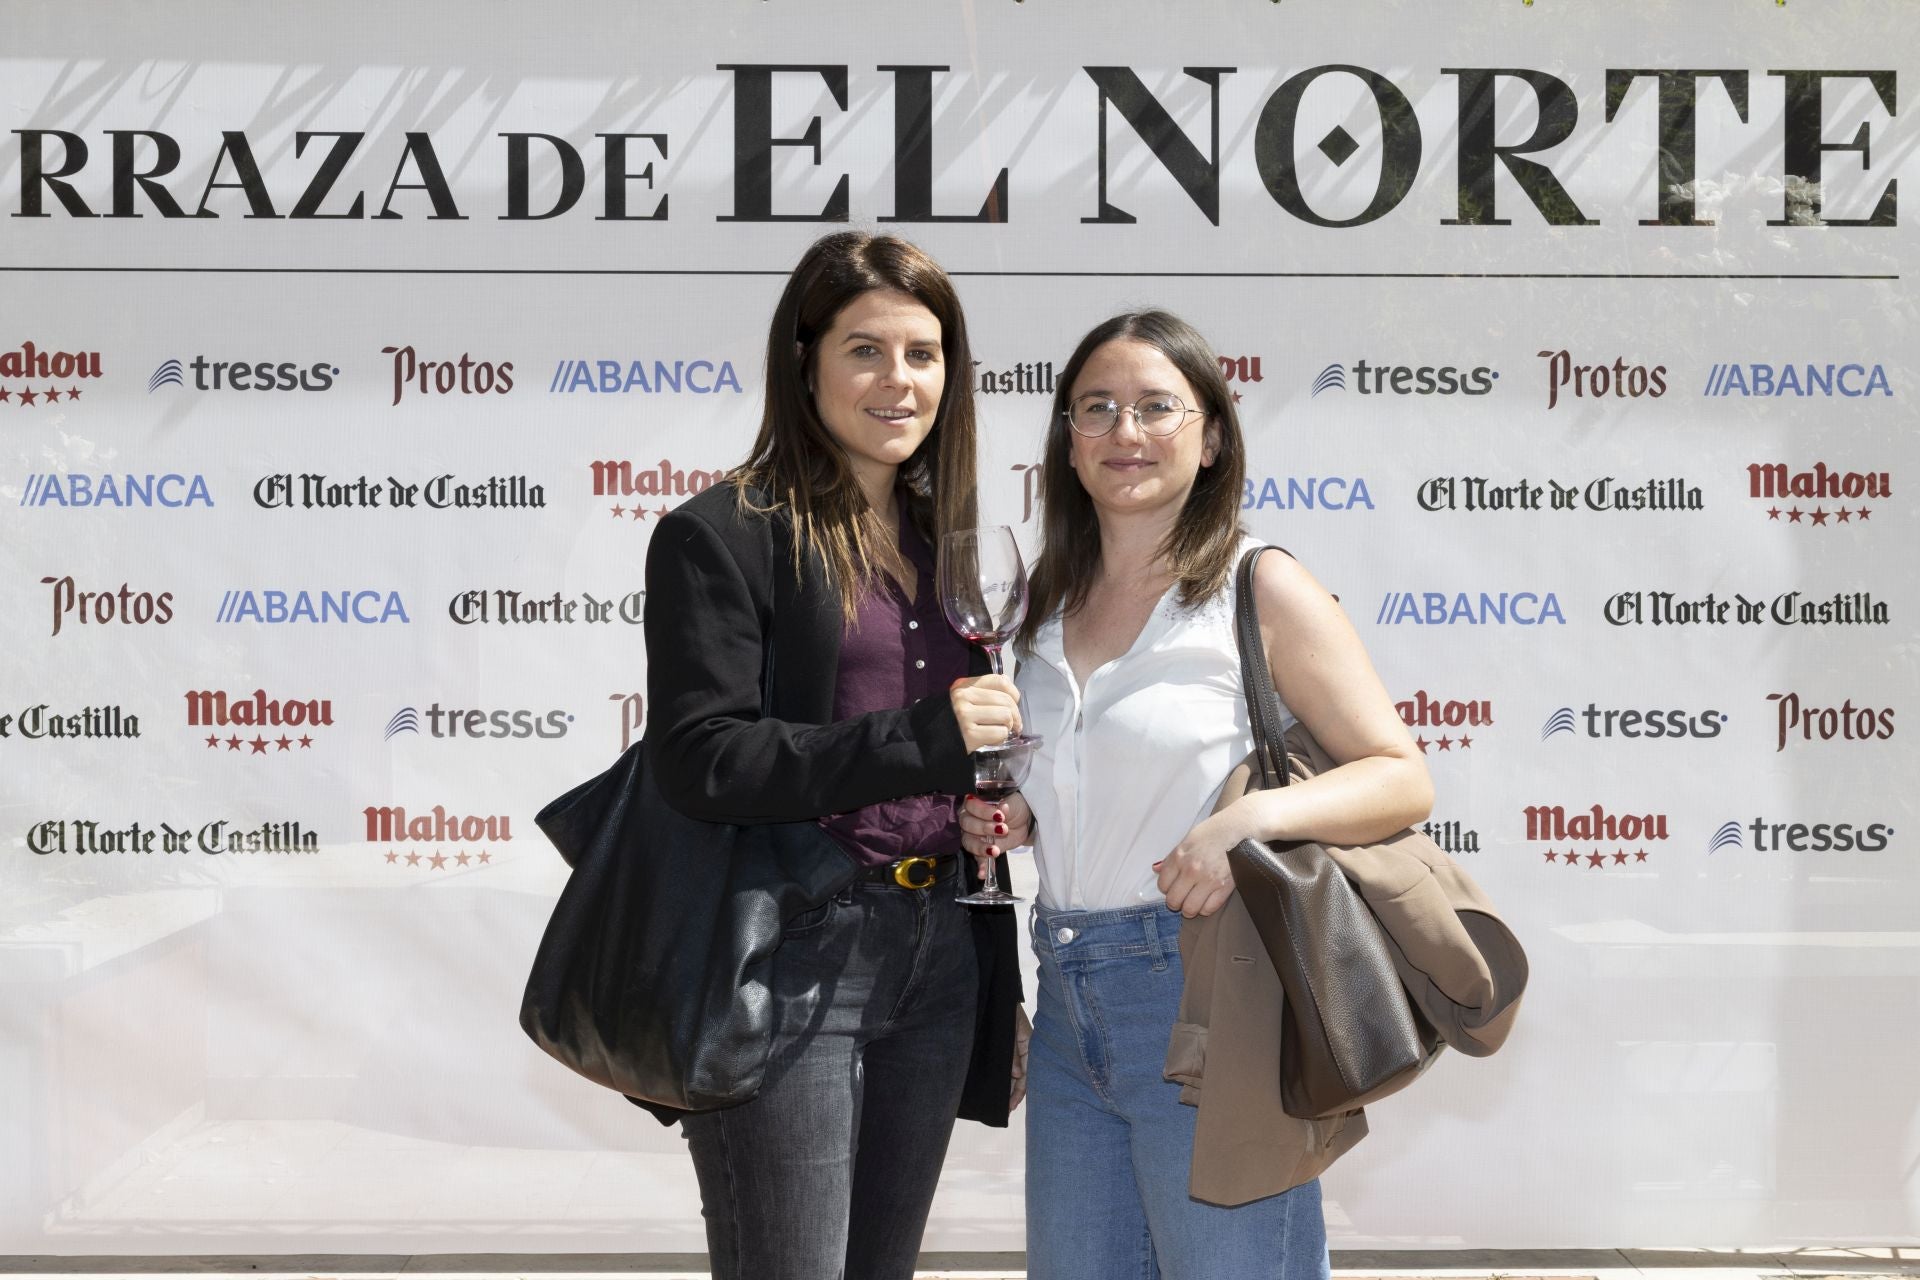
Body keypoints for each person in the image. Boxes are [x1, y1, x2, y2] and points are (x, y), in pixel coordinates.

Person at [960, 310, 1433, 1279]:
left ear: (1210, 434)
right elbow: (1086, 775)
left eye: (1154, 406)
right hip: (1065, 999)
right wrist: (1022, 815)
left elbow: (1400, 773)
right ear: (1067, 440)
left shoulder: (1257, 583)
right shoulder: (1043, 598)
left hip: (1207, 992)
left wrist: (1249, 816)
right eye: (1096, 408)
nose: (1124, 432)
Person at [643, 230, 1028, 1280]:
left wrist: (966, 806)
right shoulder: (721, 532)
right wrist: (930, 736)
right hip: (795, 950)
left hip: (940, 947)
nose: (898, 379)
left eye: (923, 351)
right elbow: (704, 758)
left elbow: (925, 753)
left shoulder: (943, 543)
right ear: (804, 361)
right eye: (865, 349)